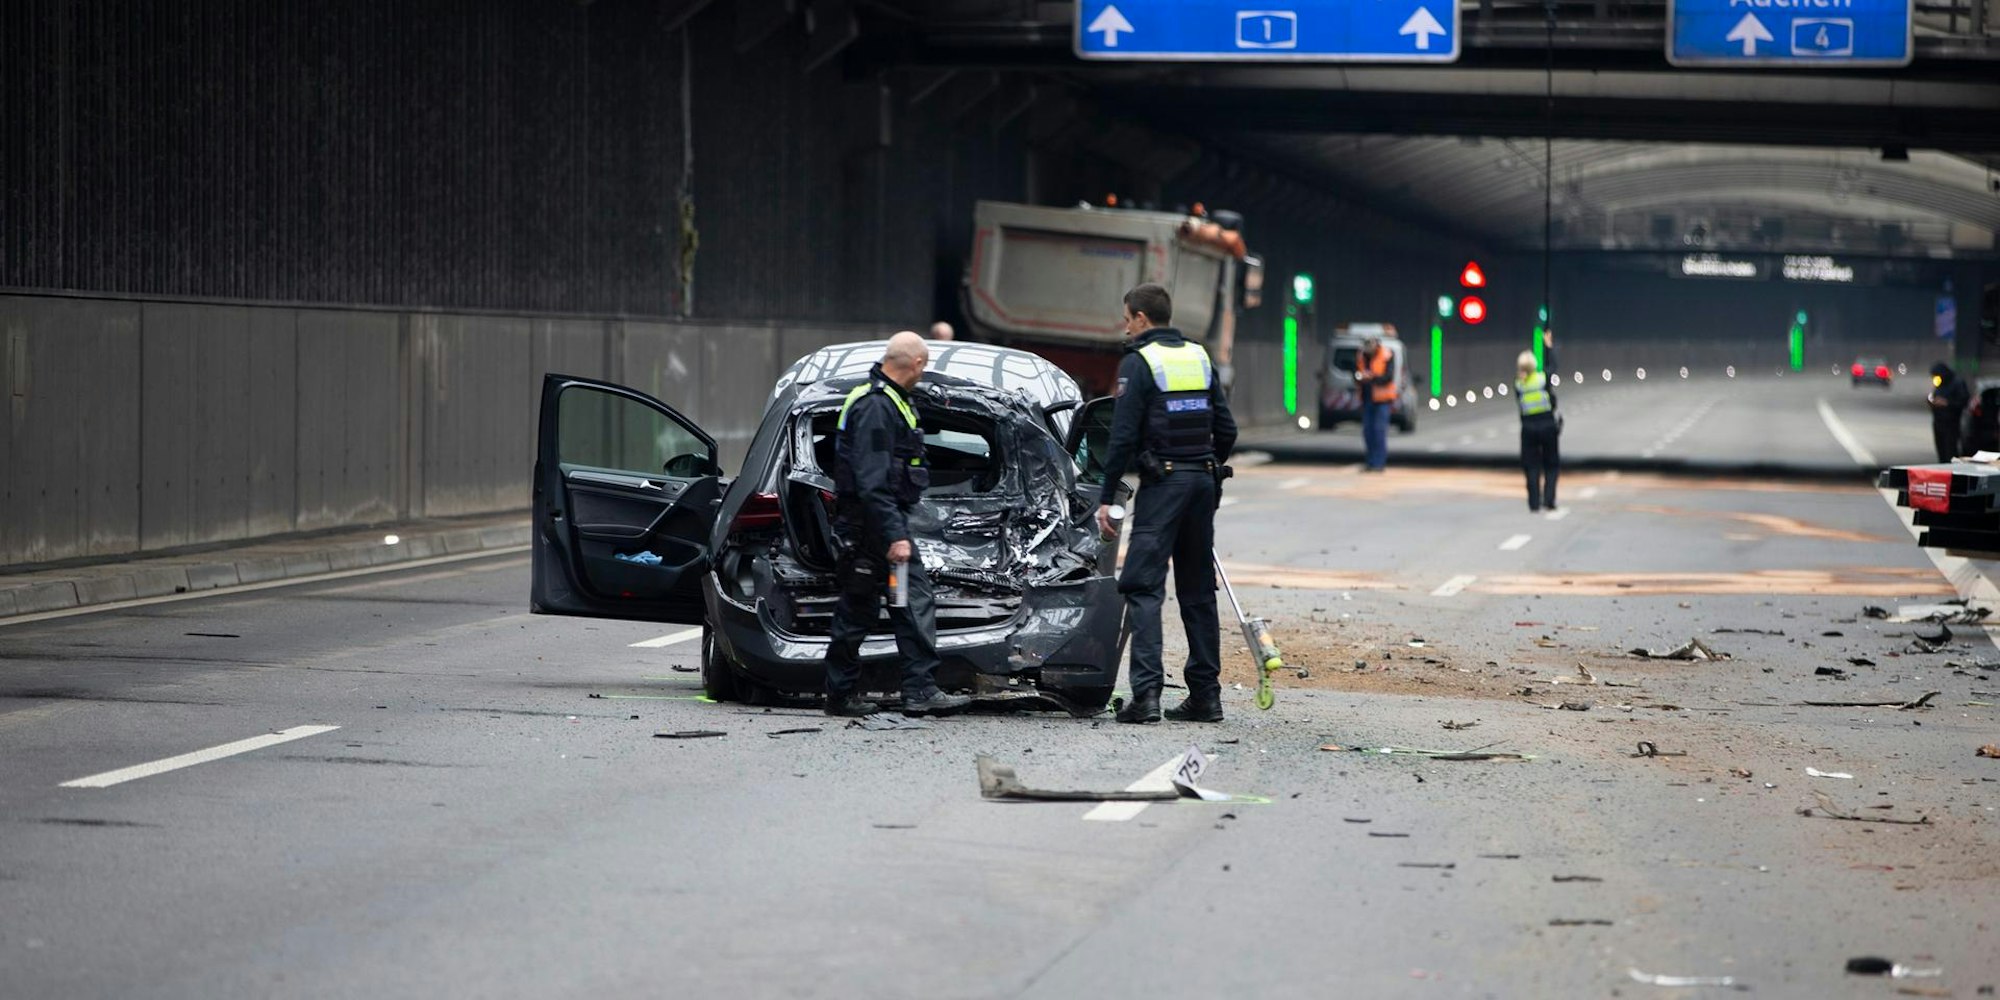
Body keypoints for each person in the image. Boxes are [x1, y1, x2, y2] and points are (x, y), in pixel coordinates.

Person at [1094, 283, 1238, 724]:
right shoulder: (1199, 356)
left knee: (1142, 587)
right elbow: (1226, 429)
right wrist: (1206, 467)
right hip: (1202, 484)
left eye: (1127, 318)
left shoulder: (1138, 364)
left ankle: (1147, 696)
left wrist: (1106, 497)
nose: (1125, 326)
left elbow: (1121, 438)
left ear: (1140, 317)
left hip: (1164, 485)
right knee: (1197, 592)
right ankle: (1206, 697)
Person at [823, 332, 972, 718]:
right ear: (918, 364)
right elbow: (873, 482)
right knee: (870, 607)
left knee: (903, 604)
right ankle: (859, 694)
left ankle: (913, 690)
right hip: (872, 530)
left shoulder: (889, 401)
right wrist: (896, 537)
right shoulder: (877, 407)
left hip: (878, 526)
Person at [1516, 332, 1561, 513]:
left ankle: (1534, 503)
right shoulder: (1542, 379)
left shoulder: (1519, 384)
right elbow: (1553, 366)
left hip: (1528, 428)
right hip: (1547, 425)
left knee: (1531, 466)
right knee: (1551, 464)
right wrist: (1548, 346)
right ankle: (1549, 500)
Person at [1354, 336, 1397, 472]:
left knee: (1379, 431)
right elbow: (1356, 374)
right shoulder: (1362, 356)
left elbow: (1388, 377)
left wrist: (1372, 377)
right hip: (1367, 399)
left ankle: (1378, 463)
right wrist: (1360, 378)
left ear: (1376, 345)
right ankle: (1370, 462)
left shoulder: (1387, 355)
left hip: (1382, 400)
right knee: (1368, 432)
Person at [1930, 362, 1971, 462]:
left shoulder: (1957, 383)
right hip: (1938, 422)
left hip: (1951, 423)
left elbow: (1963, 401)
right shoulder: (1940, 383)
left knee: (1951, 452)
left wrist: (1947, 403)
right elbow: (1935, 395)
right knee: (1941, 451)